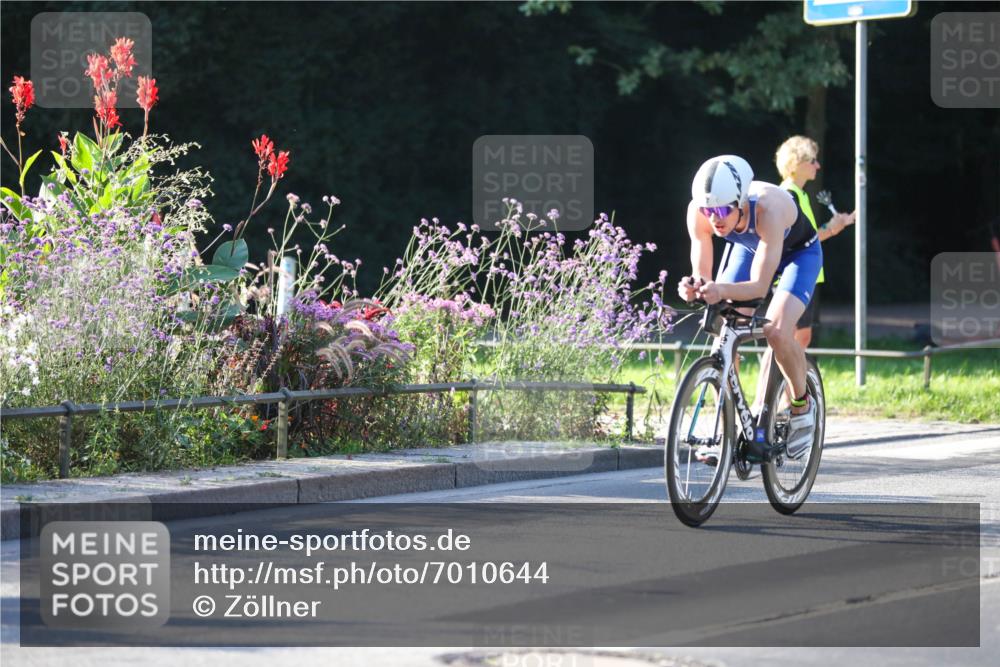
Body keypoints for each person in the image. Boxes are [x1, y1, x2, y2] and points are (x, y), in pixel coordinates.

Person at [677, 155, 820, 460]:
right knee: (724, 335)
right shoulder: (699, 212)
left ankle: (801, 404)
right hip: (748, 248)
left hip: (798, 255)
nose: (714, 218)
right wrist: (695, 287)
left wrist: (719, 289)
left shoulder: (768, 208)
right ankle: (729, 423)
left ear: (740, 202)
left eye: (720, 210)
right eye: (707, 210)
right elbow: (702, 274)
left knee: (777, 332)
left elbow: (758, 287)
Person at [774, 136, 856, 347]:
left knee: (800, 337)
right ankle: (780, 380)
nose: (817, 166)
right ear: (795, 163)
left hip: (802, 274)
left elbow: (806, 237)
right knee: (788, 337)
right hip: (792, 275)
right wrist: (832, 228)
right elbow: (802, 241)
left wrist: (836, 225)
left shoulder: (799, 194)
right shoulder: (789, 195)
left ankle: (789, 380)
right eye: (812, 161)